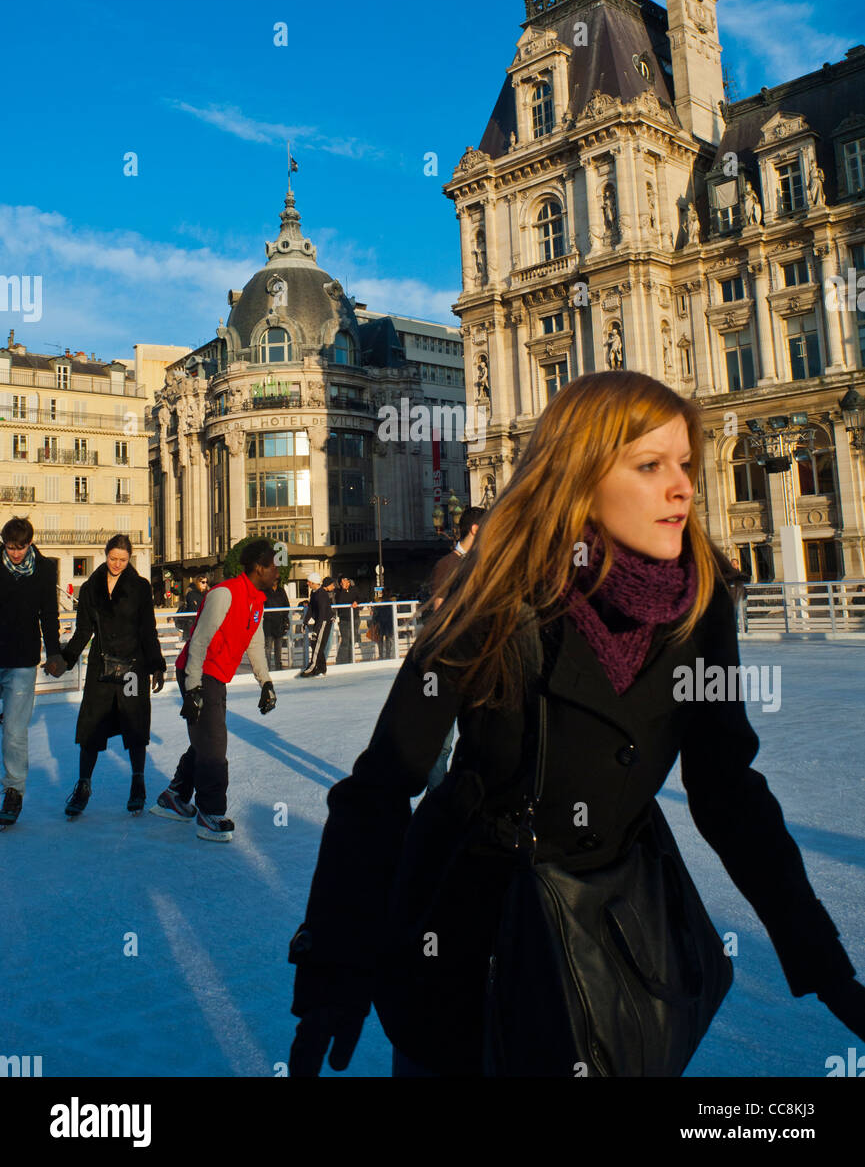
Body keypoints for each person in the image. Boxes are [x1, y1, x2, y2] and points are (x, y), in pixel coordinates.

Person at [287, 370, 865, 1078]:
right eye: (649, 466)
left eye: (684, 463)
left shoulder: (698, 596)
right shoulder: (496, 594)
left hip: (620, 931)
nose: (682, 486)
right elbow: (378, 788)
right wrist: (334, 969)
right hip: (476, 932)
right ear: (578, 476)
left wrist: (818, 956)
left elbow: (726, 789)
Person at [152, 539, 279, 841]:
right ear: (259, 567)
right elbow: (199, 641)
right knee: (214, 743)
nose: (278, 571)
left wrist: (266, 682)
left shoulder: (256, 601)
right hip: (198, 671)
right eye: (274, 566)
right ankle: (210, 814)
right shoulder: (225, 594)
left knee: (204, 739)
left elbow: (255, 644)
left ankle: (176, 796)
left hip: (216, 675)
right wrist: (193, 687)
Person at [59, 535, 166, 818]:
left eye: (123, 559)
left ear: (129, 559)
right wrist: (67, 659)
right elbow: (83, 631)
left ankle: (138, 783)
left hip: (132, 670)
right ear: (105, 555)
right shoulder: (91, 587)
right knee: (91, 726)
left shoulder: (140, 587)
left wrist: (156, 665)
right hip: (101, 669)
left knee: (135, 725)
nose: (117, 564)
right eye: (112, 558)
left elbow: (147, 630)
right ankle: (83, 785)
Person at [0, 518, 64, 826]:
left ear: (29, 543)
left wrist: (53, 652)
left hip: (23, 660)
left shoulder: (44, 570)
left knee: (13, 730)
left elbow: (49, 614)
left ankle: (13, 791)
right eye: (10, 547)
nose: (14, 554)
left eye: (20, 547)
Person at [424, 508, 487, 793]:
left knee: (479, 739)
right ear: (475, 529)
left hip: (477, 663)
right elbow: (439, 615)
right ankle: (437, 804)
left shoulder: (482, 565)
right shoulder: (448, 565)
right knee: (442, 744)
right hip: (448, 665)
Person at [298, 572, 334, 679]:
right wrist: (305, 622)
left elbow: (322, 613)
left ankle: (312, 667)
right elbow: (311, 608)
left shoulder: (322, 594)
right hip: (319, 621)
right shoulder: (313, 593)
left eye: (309, 582)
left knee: (317, 644)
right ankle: (321, 668)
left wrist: (316, 629)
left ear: (314, 582)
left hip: (324, 622)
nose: (307, 583)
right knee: (315, 644)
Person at [263, 578, 290, 671]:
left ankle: (278, 667)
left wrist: (284, 617)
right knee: (268, 648)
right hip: (268, 624)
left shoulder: (281, 591)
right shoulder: (264, 591)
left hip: (279, 623)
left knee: (278, 648)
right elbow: (261, 605)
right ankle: (267, 668)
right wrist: (267, 616)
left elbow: (287, 606)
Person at [334, 575, 359, 664]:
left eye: (346, 581)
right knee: (345, 640)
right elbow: (340, 601)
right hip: (344, 619)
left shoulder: (355, 589)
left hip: (355, 618)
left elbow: (362, 597)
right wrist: (344, 589)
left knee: (353, 640)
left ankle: (351, 659)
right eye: (343, 582)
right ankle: (341, 661)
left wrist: (357, 602)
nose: (345, 583)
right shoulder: (338, 592)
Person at [177, 574, 208, 642]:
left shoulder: (207, 594)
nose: (205, 584)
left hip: (204, 625)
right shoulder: (191, 594)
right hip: (192, 624)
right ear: (197, 582)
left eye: (206, 582)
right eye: (203, 582)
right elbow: (194, 607)